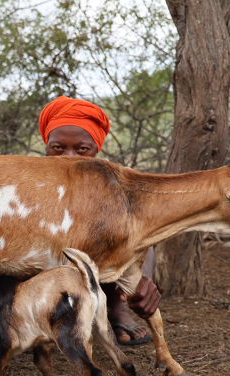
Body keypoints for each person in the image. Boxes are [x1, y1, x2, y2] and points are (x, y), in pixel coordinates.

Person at [38, 96, 161, 345]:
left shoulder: (115, 185)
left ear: (96, 150)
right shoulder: (29, 184)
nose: (69, 157)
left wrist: (139, 281)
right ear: (46, 147)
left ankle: (117, 310)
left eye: (81, 149)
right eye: (58, 148)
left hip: (96, 274)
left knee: (128, 233)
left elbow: (142, 240)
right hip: (40, 277)